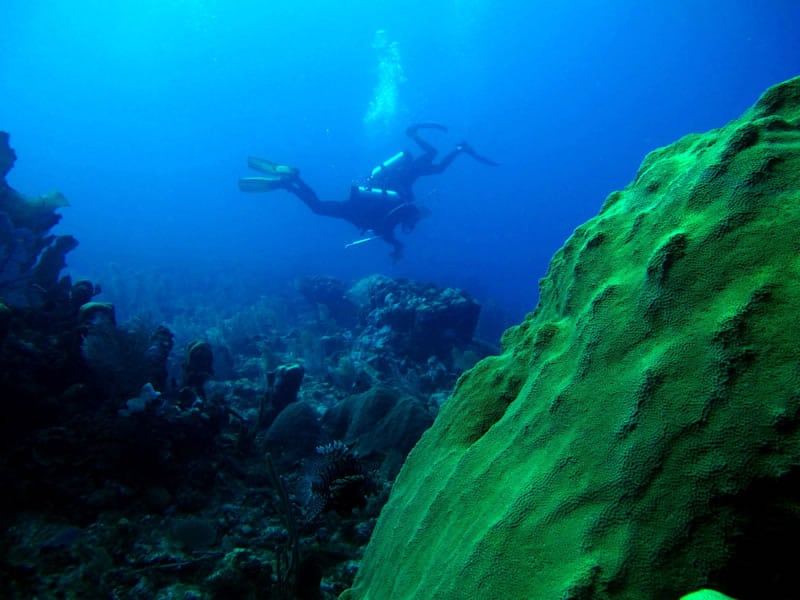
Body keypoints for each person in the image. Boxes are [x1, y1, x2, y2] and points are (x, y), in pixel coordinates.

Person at [238, 123, 497, 261]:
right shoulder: (403, 205)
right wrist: (397, 246)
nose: (415, 224)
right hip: (356, 211)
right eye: (416, 220)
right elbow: (387, 229)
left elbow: (387, 226)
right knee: (437, 165)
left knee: (317, 207)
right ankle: (291, 182)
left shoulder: (402, 200)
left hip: (355, 207)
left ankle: (291, 180)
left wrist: (395, 242)